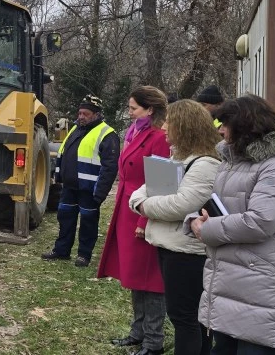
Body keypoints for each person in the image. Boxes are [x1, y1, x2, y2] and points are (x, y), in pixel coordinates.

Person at [189, 94, 275, 354]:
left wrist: (208, 229)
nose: (220, 130)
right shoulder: (231, 164)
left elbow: (260, 222)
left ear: (245, 126)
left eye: (225, 124)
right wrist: (195, 219)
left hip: (260, 284)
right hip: (231, 279)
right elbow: (217, 204)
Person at [128, 99, 221, 355]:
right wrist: (142, 202)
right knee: (187, 317)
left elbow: (180, 205)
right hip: (172, 247)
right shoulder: (179, 158)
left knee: (185, 317)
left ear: (185, 126)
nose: (163, 127)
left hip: (187, 253)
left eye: (169, 122)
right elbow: (143, 190)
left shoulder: (205, 164)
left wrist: (144, 206)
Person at [96, 85, 171, 355]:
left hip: (144, 214)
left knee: (151, 280)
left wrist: (145, 221)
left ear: (149, 110)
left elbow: (161, 185)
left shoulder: (159, 139)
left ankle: (153, 341)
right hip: (128, 211)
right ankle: (138, 332)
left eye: (133, 108)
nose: (129, 113)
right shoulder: (136, 133)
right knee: (135, 276)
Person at [41, 94, 119, 267]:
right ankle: (62, 250)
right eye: (80, 113)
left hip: (89, 189)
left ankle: (84, 254)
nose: (81, 116)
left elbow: (110, 167)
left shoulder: (108, 134)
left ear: (96, 114)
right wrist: (59, 178)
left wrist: (100, 192)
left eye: (86, 114)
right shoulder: (76, 128)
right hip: (69, 187)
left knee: (88, 223)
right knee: (65, 219)